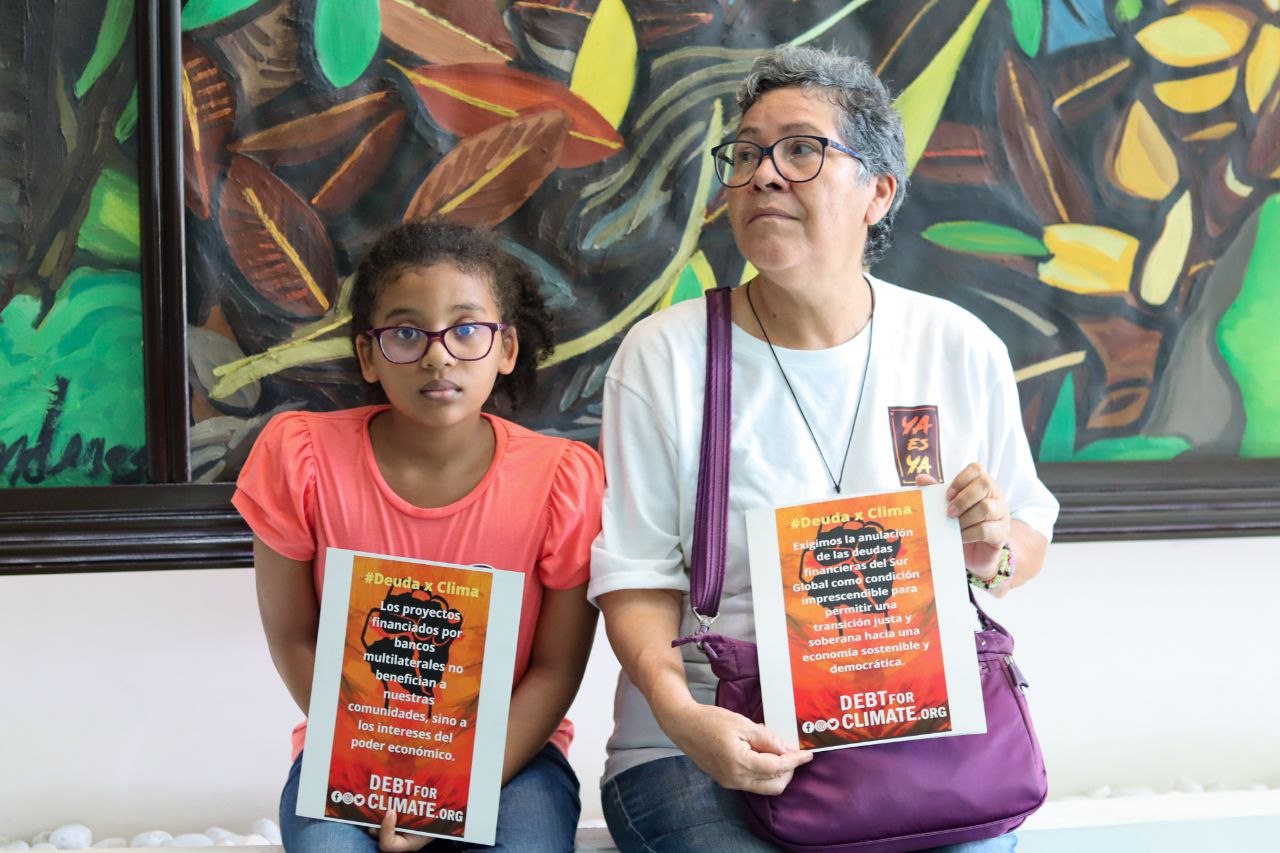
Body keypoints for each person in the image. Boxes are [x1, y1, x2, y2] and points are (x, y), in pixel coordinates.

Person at [588, 45, 1060, 852]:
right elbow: (635, 575)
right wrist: (681, 714)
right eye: (744, 156)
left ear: (878, 191)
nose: (763, 175)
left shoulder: (955, 344)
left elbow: (1023, 535)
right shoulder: (663, 355)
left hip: (907, 735)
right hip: (706, 746)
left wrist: (992, 548)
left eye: (801, 150)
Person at [233, 221, 603, 852]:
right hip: (351, 755)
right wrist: (377, 764)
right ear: (368, 355)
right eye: (406, 333)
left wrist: (453, 788)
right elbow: (294, 635)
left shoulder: (562, 479)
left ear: (506, 348)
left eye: (467, 330)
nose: (438, 355)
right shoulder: (300, 457)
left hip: (510, 762)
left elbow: (555, 669)